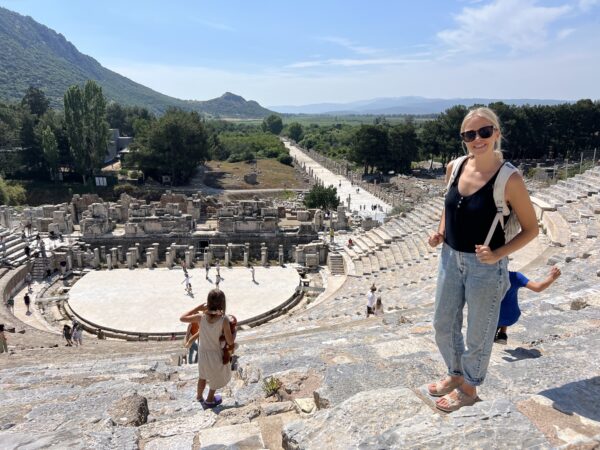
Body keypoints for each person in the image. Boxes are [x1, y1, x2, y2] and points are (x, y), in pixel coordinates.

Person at [427, 107, 538, 413]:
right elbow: (450, 207)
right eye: (469, 134)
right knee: (443, 322)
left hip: (486, 267)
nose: (477, 139)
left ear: (496, 134)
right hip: (450, 258)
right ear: (464, 138)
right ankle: (455, 372)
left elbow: (532, 229)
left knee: (479, 330)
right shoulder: (455, 167)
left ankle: (469, 387)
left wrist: (498, 254)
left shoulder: (509, 178)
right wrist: (439, 232)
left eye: (485, 132)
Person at [180, 289, 234, 408]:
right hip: (216, 353)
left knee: (202, 376)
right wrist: (233, 333)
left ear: (208, 302)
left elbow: (182, 318)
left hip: (203, 353)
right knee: (216, 376)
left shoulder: (200, 317)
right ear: (222, 304)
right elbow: (230, 341)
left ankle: (199, 396)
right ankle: (209, 400)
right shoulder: (224, 320)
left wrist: (197, 307)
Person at [495, 266, 561, 345]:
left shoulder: (483, 278)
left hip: (492, 318)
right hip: (511, 317)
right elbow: (538, 288)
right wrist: (552, 277)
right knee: (507, 303)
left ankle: (495, 331)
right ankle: (502, 334)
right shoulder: (515, 276)